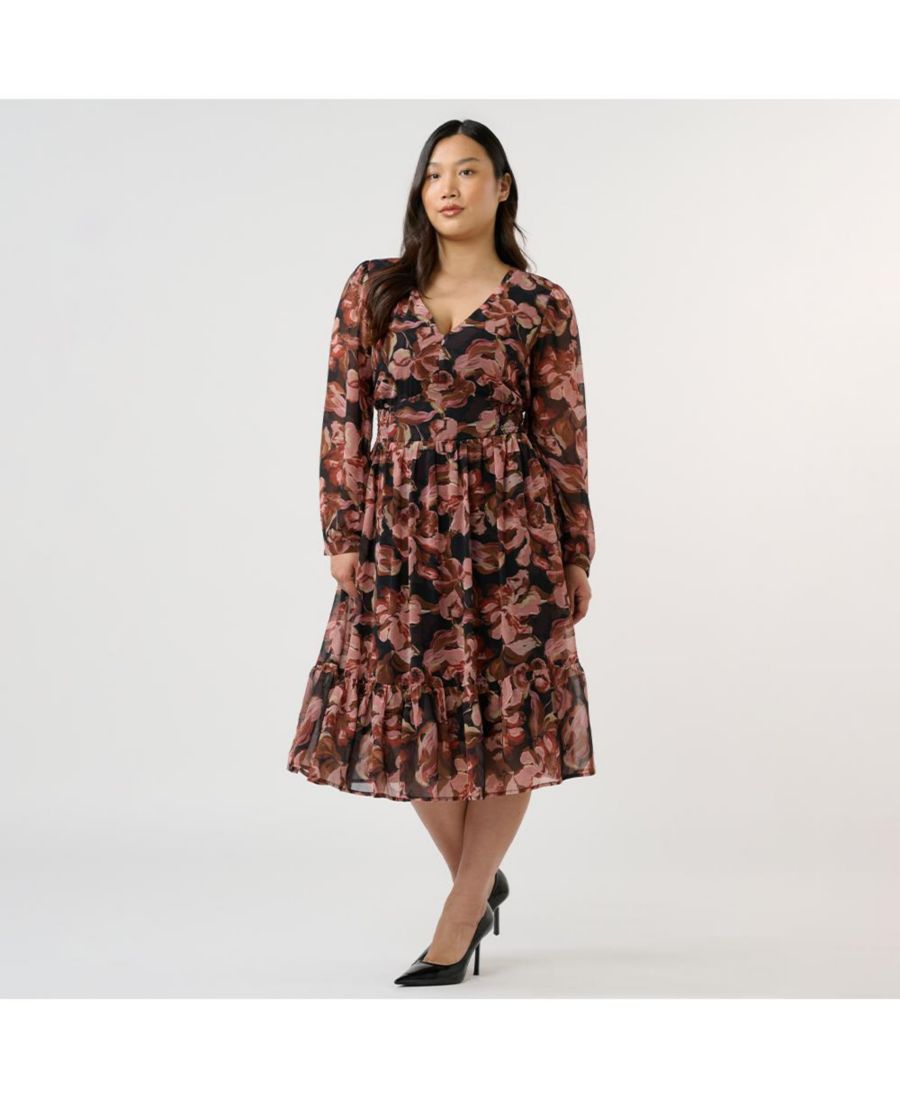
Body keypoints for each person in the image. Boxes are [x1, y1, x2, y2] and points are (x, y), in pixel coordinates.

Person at [287, 119, 597, 986]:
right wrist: (342, 528)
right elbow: (342, 413)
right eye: (433, 174)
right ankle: (479, 878)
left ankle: (461, 913)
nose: (448, 188)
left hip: (514, 534)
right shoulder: (376, 288)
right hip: (399, 533)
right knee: (400, 704)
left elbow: (563, 433)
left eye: (467, 171)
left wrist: (577, 551)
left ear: (503, 186)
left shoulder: (541, 303)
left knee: (512, 712)